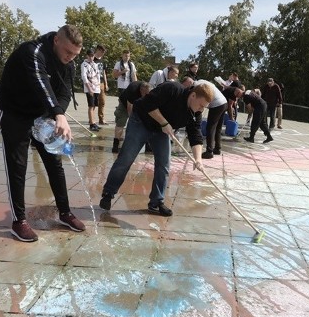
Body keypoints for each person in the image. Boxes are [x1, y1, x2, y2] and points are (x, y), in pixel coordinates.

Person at [0, 24, 87, 243]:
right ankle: (19, 221)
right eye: (67, 52)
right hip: (14, 111)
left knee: (54, 163)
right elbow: (40, 82)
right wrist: (57, 113)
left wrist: (57, 114)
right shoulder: (32, 51)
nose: (70, 58)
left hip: (42, 114)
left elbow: (64, 92)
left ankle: (65, 212)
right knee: (18, 164)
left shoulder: (69, 63)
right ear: (56, 40)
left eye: (75, 54)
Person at [99, 82, 214, 216]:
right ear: (193, 95)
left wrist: (198, 159)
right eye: (201, 105)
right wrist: (164, 122)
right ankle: (109, 192)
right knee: (126, 158)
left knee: (164, 164)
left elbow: (195, 136)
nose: (201, 110)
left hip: (161, 131)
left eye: (204, 108)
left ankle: (156, 202)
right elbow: (148, 103)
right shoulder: (172, 89)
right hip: (141, 121)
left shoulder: (195, 113)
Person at [199, 80, 242, 158]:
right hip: (223, 105)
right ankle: (217, 148)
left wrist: (231, 117)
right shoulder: (234, 92)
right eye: (239, 96)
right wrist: (232, 118)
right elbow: (230, 106)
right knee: (218, 128)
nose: (238, 98)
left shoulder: (233, 90)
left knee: (211, 127)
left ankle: (209, 151)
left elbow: (230, 106)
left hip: (217, 105)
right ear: (238, 91)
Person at [111, 80, 151, 153]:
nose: (146, 95)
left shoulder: (149, 91)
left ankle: (148, 146)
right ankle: (116, 145)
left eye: (147, 94)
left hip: (139, 104)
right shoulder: (133, 89)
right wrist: (132, 121)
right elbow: (129, 108)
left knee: (146, 122)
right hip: (124, 103)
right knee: (121, 121)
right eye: (145, 93)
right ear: (141, 90)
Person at [81, 48, 101, 132]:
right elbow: (84, 77)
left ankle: (93, 121)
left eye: (92, 56)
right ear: (87, 56)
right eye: (90, 56)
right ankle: (91, 124)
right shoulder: (84, 64)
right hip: (90, 87)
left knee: (94, 106)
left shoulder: (95, 64)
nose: (91, 57)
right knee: (91, 105)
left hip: (96, 87)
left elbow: (98, 74)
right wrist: (89, 89)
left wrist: (99, 85)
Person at [95, 49, 109, 125]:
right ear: (98, 50)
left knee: (102, 101)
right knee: (93, 102)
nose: (103, 53)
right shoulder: (92, 59)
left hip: (101, 83)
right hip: (94, 82)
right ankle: (92, 119)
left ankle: (101, 119)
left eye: (104, 52)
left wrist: (106, 84)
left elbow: (104, 73)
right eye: (102, 52)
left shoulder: (103, 61)